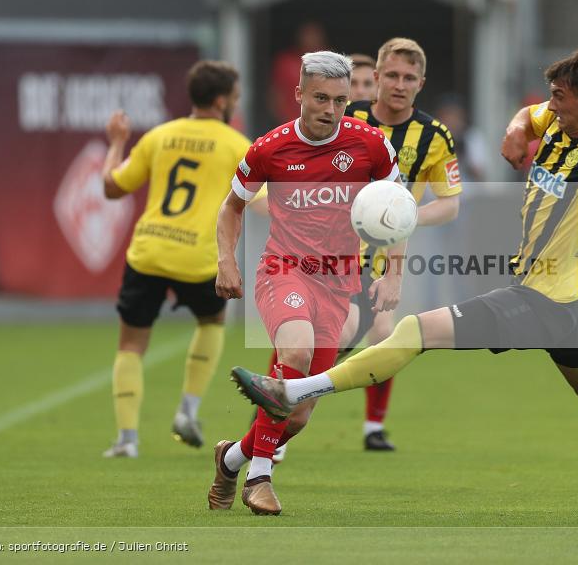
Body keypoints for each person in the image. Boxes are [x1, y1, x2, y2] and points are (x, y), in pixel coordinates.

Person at [232, 50, 578, 517]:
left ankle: (294, 391)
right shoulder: (559, 123)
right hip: (566, 291)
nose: (547, 107)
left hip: (543, 297)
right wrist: (519, 129)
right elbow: (527, 117)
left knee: (413, 331)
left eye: (558, 98)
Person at [208, 51, 402, 516]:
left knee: (297, 415)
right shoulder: (269, 148)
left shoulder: (371, 145)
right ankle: (260, 478)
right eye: (320, 98)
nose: (331, 109)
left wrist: (393, 271)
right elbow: (231, 207)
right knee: (294, 352)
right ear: (298, 95)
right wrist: (225, 261)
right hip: (284, 270)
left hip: (338, 284)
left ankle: (232, 459)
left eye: (340, 99)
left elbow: (398, 208)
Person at [257, 40, 462, 453]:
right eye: (391, 76)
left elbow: (450, 205)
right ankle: (273, 417)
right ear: (376, 77)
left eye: (408, 78)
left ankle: (369, 425)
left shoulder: (436, 136)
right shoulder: (345, 118)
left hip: (383, 257)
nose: (398, 85)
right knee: (305, 342)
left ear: (421, 84)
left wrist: (397, 216)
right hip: (328, 259)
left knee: (381, 335)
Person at [101, 61, 250, 458]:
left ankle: (127, 440)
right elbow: (265, 201)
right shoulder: (237, 144)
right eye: (235, 96)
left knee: (131, 344)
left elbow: (113, 187)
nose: (236, 102)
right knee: (213, 322)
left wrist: (116, 142)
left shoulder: (159, 136)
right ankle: (188, 411)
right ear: (221, 100)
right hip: (200, 258)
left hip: (149, 251)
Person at [269, 22, 328, 124]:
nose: (310, 39)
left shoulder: (330, 61)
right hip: (290, 122)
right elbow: (275, 95)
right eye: (307, 35)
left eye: (314, 35)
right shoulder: (285, 61)